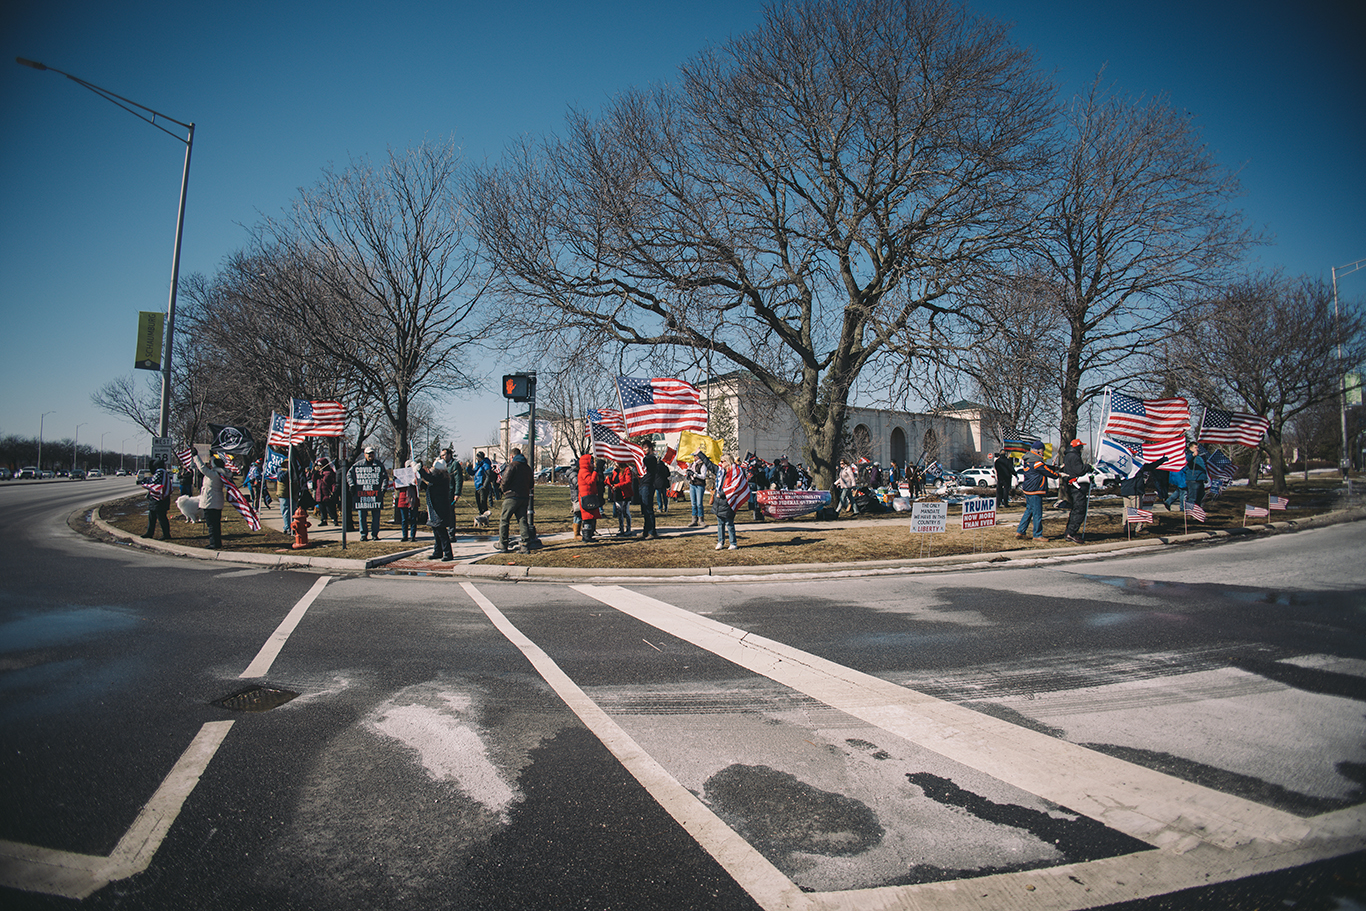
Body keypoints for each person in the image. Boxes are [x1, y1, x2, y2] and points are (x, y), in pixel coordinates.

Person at [1015, 442, 1060, 541]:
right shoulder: (1037, 462)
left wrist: (1055, 468)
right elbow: (1048, 472)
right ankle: (1037, 535)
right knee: (1037, 513)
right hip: (1035, 490)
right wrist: (1059, 474)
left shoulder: (1028, 460)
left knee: (1029, 510)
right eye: (1042, 450)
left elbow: (1043, 468)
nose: (1043, 453)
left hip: (1028, 489)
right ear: (1038, 450)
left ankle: (1020, 531)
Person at [498, 447, 534, 553]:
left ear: (512, 456)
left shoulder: (512, 466)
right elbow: (531, 484)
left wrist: (503, 490)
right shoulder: (527, 467)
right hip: (524, 497)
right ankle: (525, 544)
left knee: (504, 519)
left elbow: (505, 480)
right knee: (522, 520)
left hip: (512, 496)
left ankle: (503, 543)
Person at [349, 446, 389, 541]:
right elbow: (349, 474)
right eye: (368, 453)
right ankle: (363, 534)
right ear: (364, 454)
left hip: (375, 495)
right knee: (362, 516)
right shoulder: (358, 465)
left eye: (372, 453)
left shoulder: (379, 465)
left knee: (376, 516)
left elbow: (385, 478)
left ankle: (375, 534)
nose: (370, 455)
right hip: (361, 495)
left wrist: (383, 489)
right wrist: (352, 485)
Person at [418, 458, 454, 561]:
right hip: (434, 508)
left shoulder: (441, 478)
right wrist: (421, 483)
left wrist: (420, 470)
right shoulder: (437, 478)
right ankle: (438, 551)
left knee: (441, 532)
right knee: (436, 531)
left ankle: (448, 553)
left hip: (440, 509)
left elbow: (430, 479)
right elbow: (430, 488)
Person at [193, 451, 228, 549]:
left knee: (211, 524)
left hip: (210, 501)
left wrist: (196, 456)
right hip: (217, 502)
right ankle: (217, 542)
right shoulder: (221, 474)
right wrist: (212, 456)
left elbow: (202, 468)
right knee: (216, 524)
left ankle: (214, 543)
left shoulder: (213, 474)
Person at [1060, 440, 1092, 544]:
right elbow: (1079, 470)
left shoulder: (1068, 455)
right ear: (1077, 448)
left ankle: (1070, 531)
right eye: (1081, 447)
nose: (1082, 449)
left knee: (1076, 510)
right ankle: (1071, 532)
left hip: (1072, 486)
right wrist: (1088, 467)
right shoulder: (1074, 456)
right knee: (1079, 509)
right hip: (1076, 487)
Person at [710, 454, 744, 549]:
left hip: (728, 502)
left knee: (729, 523)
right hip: (719, 502)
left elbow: (733, 486)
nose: (720, 463)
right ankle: (720, 541)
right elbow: (710, 465)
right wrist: (700, 454)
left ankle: (733, 543)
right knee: (720, 523)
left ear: (727, 461)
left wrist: (721, 494)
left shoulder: (735, 472)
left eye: (722, 461)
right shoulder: (721, 471)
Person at [140, 458, 172, 540]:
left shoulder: (160, 472)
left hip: (159, 499)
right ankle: (149, 533)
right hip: (156, 499)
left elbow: (154, 483)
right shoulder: (163, 472)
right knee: (152, 517)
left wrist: (145, 482)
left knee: (161, 517)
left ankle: (166, 534)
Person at [576, 453, 605, 542]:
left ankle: (589, 535)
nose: (593, 463)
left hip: (590, 495)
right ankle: (586, 536)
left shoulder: (587, 471)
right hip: (586, 497)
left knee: (590, 517)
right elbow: (590, 481)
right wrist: (596, 471)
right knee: (587, 518)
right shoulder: (584, 471)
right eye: (591, 461)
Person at [607, 461, 636, 537]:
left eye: (616, 462)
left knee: (625, 511)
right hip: (617, 494)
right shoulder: (615, 471)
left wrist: (618, 485)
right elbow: (613, 480)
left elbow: (628, 481)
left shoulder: (627, 470)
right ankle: (621, 528)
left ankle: (628, 529)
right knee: (619, 512)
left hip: (625, 493)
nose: (615, 464)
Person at [686, 450, 712, 527]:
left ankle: (701, 520)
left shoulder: (702, 464)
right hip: (692, 484)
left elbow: (703, 476)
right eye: (694, 456)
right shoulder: (692, 464)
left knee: (699, 503)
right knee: (693, 503)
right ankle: (694, 519)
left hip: (699, 485)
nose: (694, 457)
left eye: (695, 456)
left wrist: (695, 474)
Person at [638, 447, 660, 539]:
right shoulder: (644, 460)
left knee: (649, 509)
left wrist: (637, 456)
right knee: (645, 510)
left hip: (648, 486)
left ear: (650, 448)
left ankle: (652, 532)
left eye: (646, 447)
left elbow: (646, 462)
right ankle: (646, 530)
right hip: (642, 485)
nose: (644, 449)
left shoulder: (651, 459)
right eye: (643, 448)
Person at [395, 459, 420, 542]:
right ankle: (404, 535)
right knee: (404, 519)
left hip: (414, 499)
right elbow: (397, 487)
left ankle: (413, 536)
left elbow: (421, 486)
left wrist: (417, 481)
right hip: (403, 499)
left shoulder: (417, 475)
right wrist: (397, 480)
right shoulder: (402, 475)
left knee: (413, 518)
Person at [313, 457, 339, 526]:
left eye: (320, 465)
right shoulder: (318, 473)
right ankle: (323, 519)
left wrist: (333, 491)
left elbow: (333, 483)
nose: (319, 466)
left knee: (330, 508)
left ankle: (334, 519)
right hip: (319, 493)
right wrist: (315, 472)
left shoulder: (329, 472)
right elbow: (313, 480)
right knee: (322, 508)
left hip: (327, 493)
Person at [472, 452, 495, 517]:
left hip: (483, 487)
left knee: (483, 503)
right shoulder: (478, 465)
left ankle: (485, 517)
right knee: (479, 503)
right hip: (477, 486)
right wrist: (468, 468)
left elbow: (489, 475)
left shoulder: (486, 465)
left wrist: (484, 486)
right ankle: (481, 515)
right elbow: (473, 473)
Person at [1185, 442, 1208, 507]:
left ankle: (1197, 511)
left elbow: (1203, 467)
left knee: (1200, 496)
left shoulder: (1200, 456)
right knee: (1192, 497)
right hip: (1193, 480)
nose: (1197, 449)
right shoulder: (1189, 454)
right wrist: (1192, 455)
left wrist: (1205, 478)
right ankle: (1190, 511)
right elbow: (1186, 460)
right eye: (1195, 447)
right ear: (1191, 448)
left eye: (1197, 447)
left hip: (1200, 479)